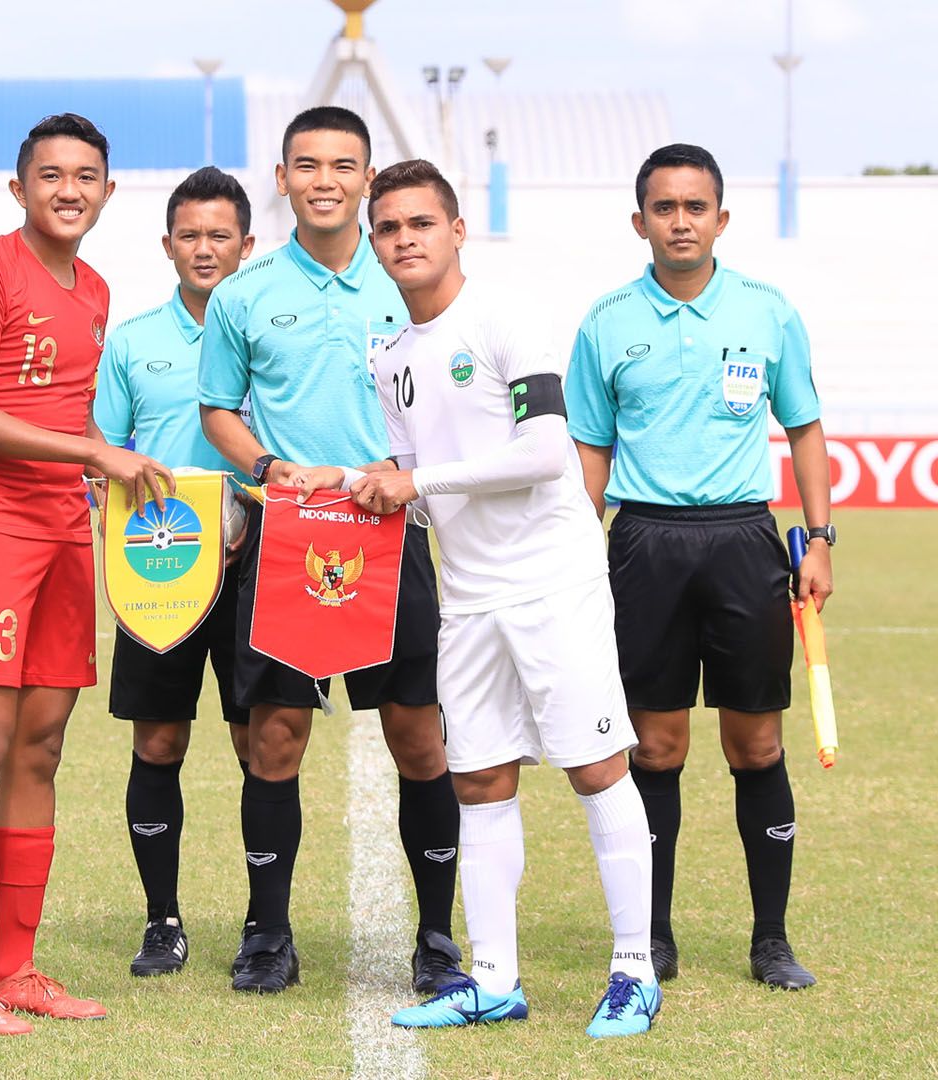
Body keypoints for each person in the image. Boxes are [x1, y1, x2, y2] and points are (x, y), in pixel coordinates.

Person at [302, 159, 661, 1038]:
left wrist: (415, 477)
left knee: (595, 766)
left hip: (552, 583)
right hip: (465, 597)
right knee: (479, 778)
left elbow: (548, 455)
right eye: (387, 228)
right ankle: (494, 979)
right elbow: (404, 482)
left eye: (420, 224)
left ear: (456, 231)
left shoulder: (508, 318)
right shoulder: (390, 358)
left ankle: (634, 971)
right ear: (373, 242)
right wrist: (345, 482)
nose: (403, 240)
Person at [197, 106, 460, 996]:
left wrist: (407, 468)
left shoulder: (413, 284)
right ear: (282, 179)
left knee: (419, 736)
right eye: (305, 164)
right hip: (288, 538)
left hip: (396, 534)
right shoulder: (242, 294)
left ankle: (435, 936)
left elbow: (460, 403)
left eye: (343, 165)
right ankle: (268, 933)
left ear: (367, 177)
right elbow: (217, 411)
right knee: (274, 739)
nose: (324, 180)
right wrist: (269, 467)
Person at [0, 113, 174, 1037]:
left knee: (41, 747)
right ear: (18, 186)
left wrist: (131, 470)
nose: (70, 189)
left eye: (88, 176)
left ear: (109, 191)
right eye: (53, 174)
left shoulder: (97, 287)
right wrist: (91, 452)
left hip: (66, 535)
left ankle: (16, 967)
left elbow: (77, 426)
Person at [563, 143, 835, 991]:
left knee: (755, 745)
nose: (680, 221)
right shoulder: (606, 321)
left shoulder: (766, 311)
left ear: (721, 217)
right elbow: (590, 451)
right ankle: (654, 935)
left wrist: (820, 537)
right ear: (639, 219)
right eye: (664, 207)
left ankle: (771, 941)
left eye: (695, 207)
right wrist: (577, 549)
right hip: (645, 544)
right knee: (656, 745)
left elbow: (806, 429)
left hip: (744, 543)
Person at [93, 166, 257, 978]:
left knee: (263, 742)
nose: (204, 248)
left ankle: (267, 922)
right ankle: (163, 919)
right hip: (159, 565)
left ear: (248, 245)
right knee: (158, 740)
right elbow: (101, 456)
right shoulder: (131, 342)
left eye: (219, 234)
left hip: (261, 564)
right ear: (167, 245)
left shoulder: (275, 330)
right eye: (189, 235)